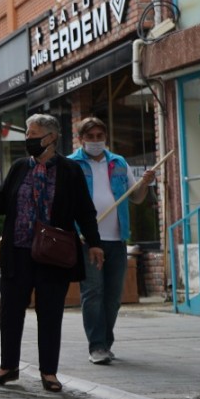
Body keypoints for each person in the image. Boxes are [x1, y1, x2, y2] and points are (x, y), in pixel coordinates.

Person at [0, 113, 103, 394]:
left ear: (51, 138)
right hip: (18, 251)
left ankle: (48, 372)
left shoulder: (70, 171)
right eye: (27, 133)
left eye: (33, 133)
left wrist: (95, 242)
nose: (28, 138)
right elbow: (1, 202)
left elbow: (84, 210)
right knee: (12, 311)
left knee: (50, 313)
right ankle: (8, 366)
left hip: (53, 253)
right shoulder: (19, 168)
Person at [68, 117, 153, 366]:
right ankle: (97, 346)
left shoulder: (118, 162)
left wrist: (144, 184)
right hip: (86, 239)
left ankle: (105, 342)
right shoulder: (71, 164)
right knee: (93, 292)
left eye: (99, 136)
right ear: (81, 138)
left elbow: (135, 197)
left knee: (113, 296)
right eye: (90, 136)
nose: (96, 141)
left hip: (116, 239)